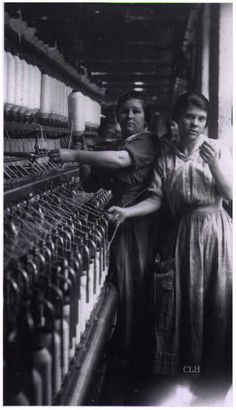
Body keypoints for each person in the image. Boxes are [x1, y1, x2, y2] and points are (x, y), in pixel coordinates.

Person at [108, 92, 232, 397]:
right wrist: (126, 212)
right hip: (182, 236)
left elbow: (230, 193)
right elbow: (156, 198)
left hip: (216, 234)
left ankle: (214, 381)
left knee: (216, 304)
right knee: (187, 305)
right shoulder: (167, 156)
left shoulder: (218, 149)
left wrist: (215, 165)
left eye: (201, 118)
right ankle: (188, 374)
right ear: (176, 120)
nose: (195, 123)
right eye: (189, 116)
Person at [49, 91, 160, 369]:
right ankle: (118, 351)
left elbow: (120, 161)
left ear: (146, 118)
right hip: (115, 221)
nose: (129, 116)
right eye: (124, 111)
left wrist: (74, 153)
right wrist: (80, 149)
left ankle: (129, 359)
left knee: (131, 284)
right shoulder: (115, 145)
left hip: (136, 225)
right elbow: (89, 184)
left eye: (136, 111)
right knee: (117, 284)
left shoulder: (146, 142)